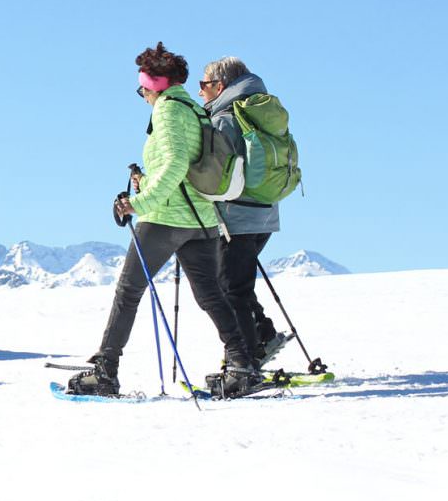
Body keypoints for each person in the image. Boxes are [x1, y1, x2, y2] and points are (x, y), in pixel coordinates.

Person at [69, 43, 261, 397]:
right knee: (211, 296)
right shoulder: (194, 108)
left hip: (165, 218)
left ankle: (105, 371)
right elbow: (184, 162)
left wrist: (138, 202)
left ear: (156, 84)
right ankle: (242, 365)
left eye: (143, 85)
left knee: (128, 292)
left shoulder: (168, 111)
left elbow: (174, 163)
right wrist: (148, 181)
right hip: (200, 218)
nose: (141, 92)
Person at [200, 56, 293, 364]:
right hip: (265, 212)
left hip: (236, 215)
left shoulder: (226, 118)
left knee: (228, 289)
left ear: (219, 85)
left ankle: (246, 361)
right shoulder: (259, 112)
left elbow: (215, 173)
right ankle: (262, 336)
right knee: (236, 283)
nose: (200, 92)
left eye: (204, 85)